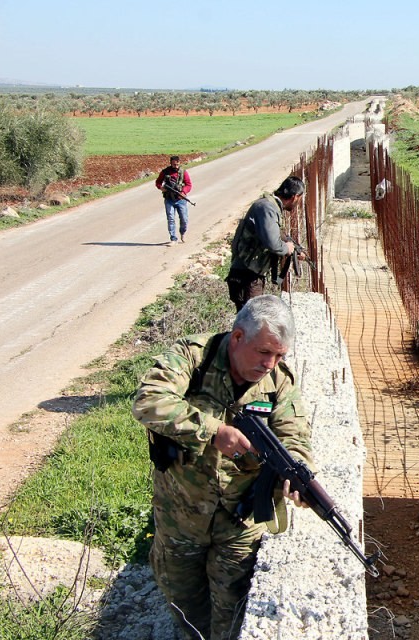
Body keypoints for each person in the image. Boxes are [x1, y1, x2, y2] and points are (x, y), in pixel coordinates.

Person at [132, 295, 313, 640]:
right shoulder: (192, 358)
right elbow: (148, 401)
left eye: (279, 356)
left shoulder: (279, 383)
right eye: (264, 352)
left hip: (238, 523)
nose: (270, 364)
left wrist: (298, 473)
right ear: (237, 337)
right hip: (179, 517)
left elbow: (295, 437)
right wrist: (212, 431)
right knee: (185, 611)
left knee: (232, 621)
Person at [226, 176, 304, 312]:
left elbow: (274, 235)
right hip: (246, 276)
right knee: (251, 320)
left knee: (249, 320)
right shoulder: (268, 208)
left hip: (249, 274)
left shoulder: (269, 206)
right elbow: (273, 243)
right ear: (295, 197)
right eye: (299, 199)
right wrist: (287, 248)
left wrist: (296, 250)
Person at [155, 155, 193, 244]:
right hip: (169, 199)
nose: (175, 166)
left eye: (177, 164)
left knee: (184, 219)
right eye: (173, 164)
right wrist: (161, 188)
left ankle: (182, 232)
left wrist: (183, 192)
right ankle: (173, 238)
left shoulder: (183, 172)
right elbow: (158, 182)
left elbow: (189, 184)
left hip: (181, 199)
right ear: (170, 163)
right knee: (171, 218)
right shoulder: (165, 172)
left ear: (179, 163)